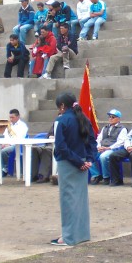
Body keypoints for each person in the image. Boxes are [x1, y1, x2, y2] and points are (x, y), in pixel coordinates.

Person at [51, 93, 97, 245]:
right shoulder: (83, 118)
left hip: (68, 162)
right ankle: (82, 233)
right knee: (80, 199)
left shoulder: (61, 120)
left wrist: (78, 162)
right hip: (82, 161)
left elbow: (61, 146)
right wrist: (89, 159)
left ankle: (68, 236)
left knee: (68, 199)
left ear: (62, 106)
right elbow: (92, 140)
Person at [88, 109, 128, 185]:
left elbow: (120, 142)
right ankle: (96, 175)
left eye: (113, 117)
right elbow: (99, 139)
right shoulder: (105, 128)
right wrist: (99, 147)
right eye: (109, 117)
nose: (110, 118)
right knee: (89, 155)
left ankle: (107, 176)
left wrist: (108, 148)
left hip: (113, 149)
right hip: (102, 148)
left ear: (118, 119)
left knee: (103, 157)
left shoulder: (122, 129)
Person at [0, 109, 29, 177]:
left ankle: (5, 169)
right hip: (7, 144)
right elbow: (5, 136)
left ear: (18, 117)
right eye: (10, 117)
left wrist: (9, 144)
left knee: (3, 151)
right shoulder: (9, 126)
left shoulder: (23, 126)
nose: (11, 119)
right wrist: (4, 143)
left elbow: (20, 139)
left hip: (17, 145)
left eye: (12, 117)